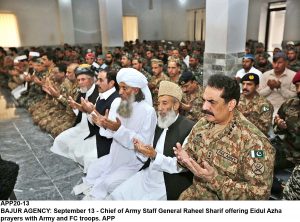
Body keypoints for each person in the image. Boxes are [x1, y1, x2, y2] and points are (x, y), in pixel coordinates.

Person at [173, 74, 275, 200]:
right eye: (204, 100)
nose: (204, 107)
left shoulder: (254, 142)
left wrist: (214, 179)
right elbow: (191, 154)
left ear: (231, 104)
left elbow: (258, 195)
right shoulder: (203, 123)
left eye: (212, 102)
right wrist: (184, 159)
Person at [73, 68, 157, 200]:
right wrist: (102, 122)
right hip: (115, 155)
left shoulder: (148, 111)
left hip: (133, 161)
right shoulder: (121, 103)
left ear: (136, 90)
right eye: (120, 88)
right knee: (93, 169)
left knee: (109, 183)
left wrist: (119, 130)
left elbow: (144, 144)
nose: (120, 92)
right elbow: (111, 130)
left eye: (125, 88)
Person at [108, 81, 194, 200]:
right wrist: (142, 149)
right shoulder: (160, 122)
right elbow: (148, 151)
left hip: (167, 181)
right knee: (117, 195)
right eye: (158, 104)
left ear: (176, 105)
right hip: (149, 174)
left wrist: (154, 155)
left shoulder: (189, 128)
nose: (160, 108)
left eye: (164, 103)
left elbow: (181, 166)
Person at [50, 65, 98, 171]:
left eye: (83, 79)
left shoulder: (98, 93)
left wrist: (86, 110)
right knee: (59, 141)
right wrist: (76, 107)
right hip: (80, 125)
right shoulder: (81, 91)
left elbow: (98, 119)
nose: (80, 82)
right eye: (78, 80)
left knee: (82, 154)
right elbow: (78, 114)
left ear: (91, 80)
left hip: (93, 129)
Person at [273, 71, 300, 169]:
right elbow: (275, 128)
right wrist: (280, 126)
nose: (299, 90)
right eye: (297, 86)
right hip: (288, 156)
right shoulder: (289, 104)